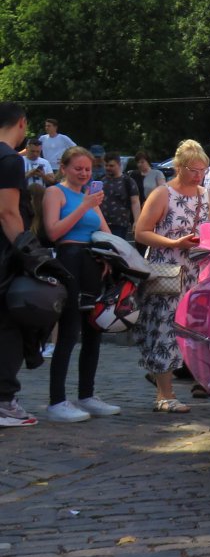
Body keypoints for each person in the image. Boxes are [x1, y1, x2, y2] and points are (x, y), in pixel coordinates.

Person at [40, 147, 120, 422]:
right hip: (70, 260)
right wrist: (84, 207)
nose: (84, 173)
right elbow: (53, 231)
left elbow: (106, 232)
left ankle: (87, 394)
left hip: (93, 263)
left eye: (87, 169)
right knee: (69, 330)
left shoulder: (90, 197)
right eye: (78, 168)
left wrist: (109, 256)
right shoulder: (56, 193)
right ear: (64, 168)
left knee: (94, 329)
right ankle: (57, 399)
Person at [134, 139, 210, 414]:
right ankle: (164, 395)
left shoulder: (205, 194)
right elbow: (141, 232)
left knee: (190, 331)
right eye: (193, 169)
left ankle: (173, 384)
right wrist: (174, 243)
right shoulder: (162, 194)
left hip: (194, 271)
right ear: (179, 167)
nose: (198, 174)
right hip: (166, 270)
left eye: (203, 169)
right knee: (164, 328)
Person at [0, 103, 38, 427]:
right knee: (9, 325)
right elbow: (8, 212)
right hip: (4, 258)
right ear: (22, 123)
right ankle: (4, 402)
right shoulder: (10, 159)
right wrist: (29, 252)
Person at [99, 153, 142, 243]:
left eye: (111, 165)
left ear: (119, 165)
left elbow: (135, 202)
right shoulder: (100, 181)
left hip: (120, 224)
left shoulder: (128, 181)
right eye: (106, 165)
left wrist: (136, 221)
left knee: (116, 250)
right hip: (101, 223)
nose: (108, 168)